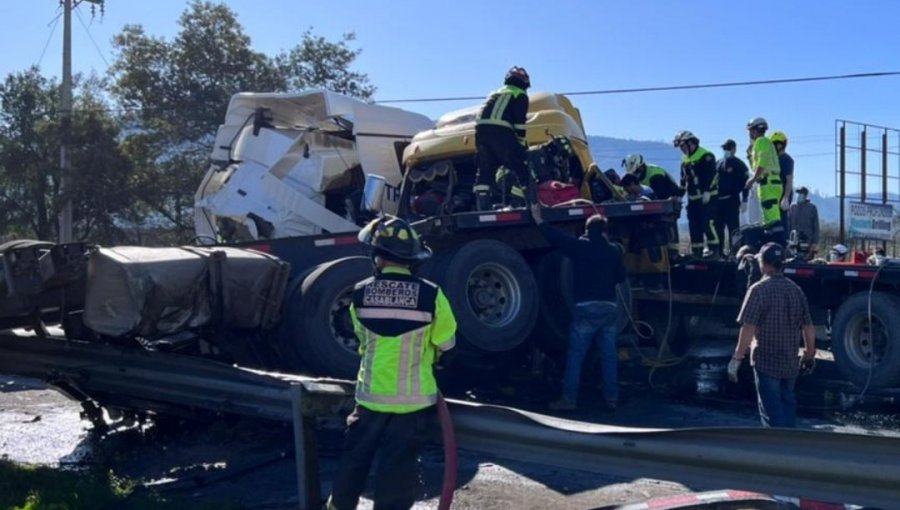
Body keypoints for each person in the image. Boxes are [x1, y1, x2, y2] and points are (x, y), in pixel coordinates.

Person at [326, 215, 457, 510]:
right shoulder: (431, 294)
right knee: (397, 470)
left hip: (369, 398)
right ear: (412, 259)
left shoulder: (359, 293)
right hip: (412, 402)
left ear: (378, 257)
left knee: (354, 460)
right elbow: (447, 344)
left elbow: (362, 340)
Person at [530, 204, 626, 411]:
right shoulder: (614, 251)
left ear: (586, 230)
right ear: (605, 231)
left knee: (576, 355)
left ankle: (569, 399)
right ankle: (612, 398)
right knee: (609, 355)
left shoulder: (579, 247)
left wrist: (539, 220)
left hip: (586, 308)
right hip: (609, 307)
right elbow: (621, 278)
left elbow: (556, 238)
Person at [728, 242, 816, 428]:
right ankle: (790, 446)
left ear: (764, 264)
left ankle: (776, 451)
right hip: (790, 362)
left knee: (771, 412)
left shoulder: (758, 290)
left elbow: (748, 328)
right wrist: (809, 354)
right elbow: (808, 327)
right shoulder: (796, 290)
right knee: (787, 406)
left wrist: (737, 359)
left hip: (765, 363)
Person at [473, 66, 531, 211]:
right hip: (500, 131)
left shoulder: (494, 93)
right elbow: (519, 123)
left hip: (480, 131)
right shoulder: (520, 95)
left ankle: (483, 207)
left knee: (485, 168)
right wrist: (521, 143)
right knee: (521, 165)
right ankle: (518, 203)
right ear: (525, 83)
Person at [623, 154, 684, 258]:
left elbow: (662, 196)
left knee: (668, 222)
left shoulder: (655, 175)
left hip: (671, 200)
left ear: (640, 166)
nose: (636, 175)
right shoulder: (641, 175)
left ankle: (673, 252)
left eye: (636, 171)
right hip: (659, 201)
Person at [674, 130, 720, 258]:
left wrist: (706, 191)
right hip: (693, 199)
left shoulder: (706, 156)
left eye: (683, 146)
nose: (682, 150)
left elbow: (711, 175)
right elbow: (684, 181)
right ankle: (697, 251)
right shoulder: (685, 160)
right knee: (694, 226)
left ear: (691, 143)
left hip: (708, 197)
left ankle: (714, 250)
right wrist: (679, 195)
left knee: (707, 223)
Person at [744, 117, 785, 245]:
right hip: (769, 182)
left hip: (768, 182)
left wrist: (753, 178)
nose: (749, 134)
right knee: (769, 216)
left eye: (750, 130)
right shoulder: (762, 143)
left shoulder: (762, 141)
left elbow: (762, 162)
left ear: (755, 130)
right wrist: (750, 156)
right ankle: (774, 243)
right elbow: (756, 166)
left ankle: (777, 244)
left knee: (772, 218)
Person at [715, 139, 750, 255]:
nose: (726, 151)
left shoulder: (739, 165)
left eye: (728, 148)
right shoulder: (718, 163)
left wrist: (745, 199)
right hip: (718, 202)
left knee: (733, 229)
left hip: (732, 200)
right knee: (718, 228)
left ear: (734, 149)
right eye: (724, 148)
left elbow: (746, 183)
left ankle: (734, 253)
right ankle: (718, 252)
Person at [787, 186, 819, 261]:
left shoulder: (812, 208)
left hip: (807, 241)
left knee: (806, 261)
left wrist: (814, 242)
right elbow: (789, 223)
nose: (799, 195)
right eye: (798, 193)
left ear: (805, 195)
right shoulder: (792, 207)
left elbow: (816, 226)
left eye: (801, 193)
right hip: (793, 240)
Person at [771, 131, 794, 212]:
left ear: (780, 145)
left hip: (782, 195)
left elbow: (789, 180)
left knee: (781, 221)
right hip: (773, 194)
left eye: (774, 144)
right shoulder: (773, 159)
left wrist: (786, 197)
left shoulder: (787, 160)